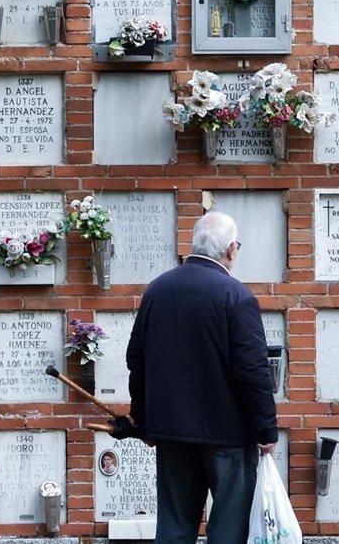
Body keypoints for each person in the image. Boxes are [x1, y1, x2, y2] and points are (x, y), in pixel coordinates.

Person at [125, 211, 277, 544]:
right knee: (228, 527)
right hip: (228, 436)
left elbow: (136, 359)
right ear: (232, 250)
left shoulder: (156, 291)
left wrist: (144, 421)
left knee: (175, 526)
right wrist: (265, 427)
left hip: (173, 433)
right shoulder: (236, 297)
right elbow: (252, 370)